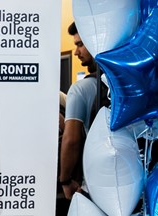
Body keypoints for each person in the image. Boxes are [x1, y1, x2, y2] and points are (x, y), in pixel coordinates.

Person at [59, 22, 110, 200]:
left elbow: (72, 139)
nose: (76, 52)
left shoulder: (81, 89)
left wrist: (65, 180)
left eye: (80, 44)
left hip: (96, 184)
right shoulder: (129, 85)